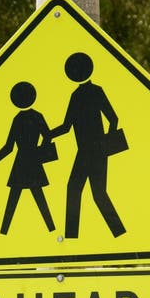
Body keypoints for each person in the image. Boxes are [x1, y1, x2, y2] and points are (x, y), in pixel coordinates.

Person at [51, 52, 126, 238]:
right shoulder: (90, 92)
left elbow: (66, 127)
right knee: (90, 192)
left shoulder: (79, 95)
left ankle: (75, 236)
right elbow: (113, 119)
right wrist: (105, 143)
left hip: (90, 151)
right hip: (92, 151)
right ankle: (115, 233)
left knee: (83, 191)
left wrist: (48, 135)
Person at [0, 81, 56, 236]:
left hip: (21, 162)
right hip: (33, 160)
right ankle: (51, 229)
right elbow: (48, 136)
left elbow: (9, 147)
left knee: (15, 197)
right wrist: (39, 152)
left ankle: (4, 231)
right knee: (37, 195)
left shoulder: (18, 119)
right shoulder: (37, 116)